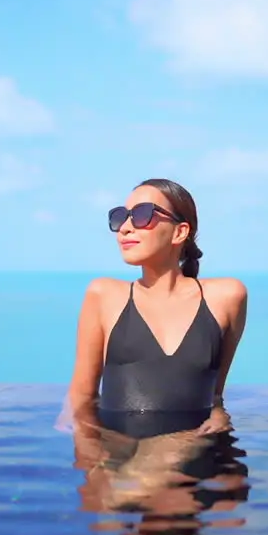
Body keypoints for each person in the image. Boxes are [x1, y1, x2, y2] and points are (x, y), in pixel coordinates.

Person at [64, 177, 249, 502]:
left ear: (180, 231)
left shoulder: (228, 296)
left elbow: (215, 390)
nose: (125, 228)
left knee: (229, 524)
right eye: (120, 217)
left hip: (200, 451)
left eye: (143, 215)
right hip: (121, 456)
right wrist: (93, 472)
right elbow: (80, 399)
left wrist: (219, 411)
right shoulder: (104, 295)